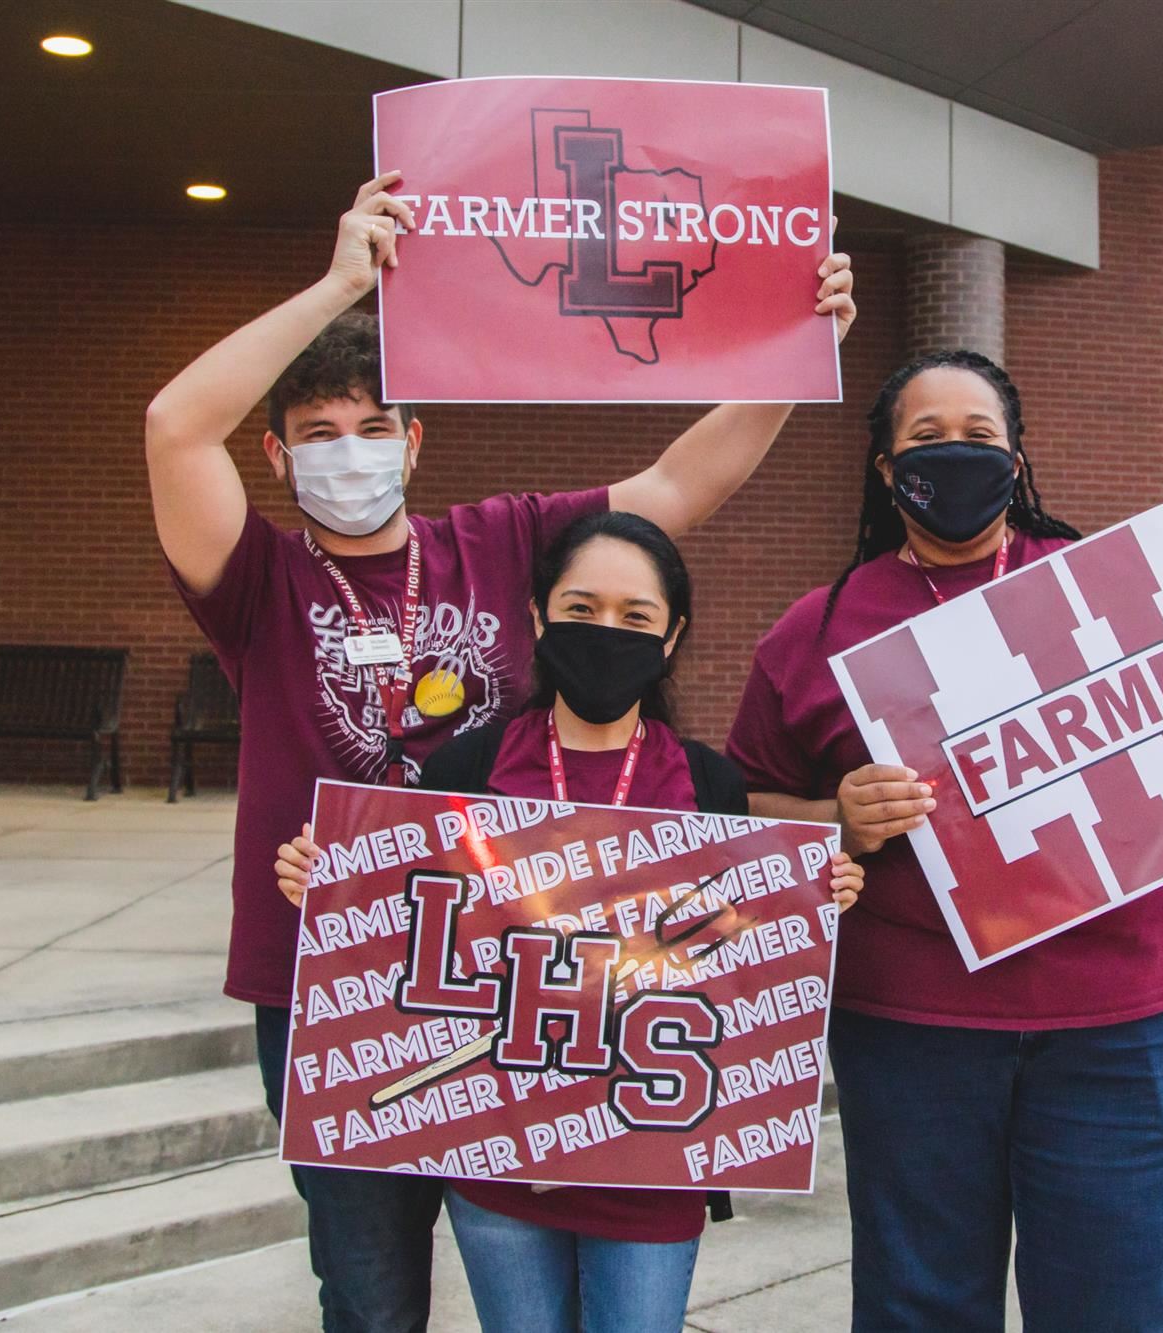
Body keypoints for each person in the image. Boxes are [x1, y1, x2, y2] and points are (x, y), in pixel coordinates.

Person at [145, 173, 854, 1333]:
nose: (347, 452)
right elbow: (174, 426)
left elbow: (679, 485)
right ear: (273, 457)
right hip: (332, 979)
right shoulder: (258, 581)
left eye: (372, 428)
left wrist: (793, 342)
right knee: (371, 1292)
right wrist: (337, 284)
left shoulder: (502, 539)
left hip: (522, 974)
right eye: (316, 435)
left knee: (528, 1262)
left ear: (414, 439)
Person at [726, 348, 1163, 1332]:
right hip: (914, 1035)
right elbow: (737, 806)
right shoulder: (813, 631)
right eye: (924, 439)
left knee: (1106, 1306)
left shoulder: (1120, 590)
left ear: (1016, 457)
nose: (953, 457)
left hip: (1114, 1027)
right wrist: (836, 818)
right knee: (917, 1309)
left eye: (978, 438)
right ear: (880, 468)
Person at [273, 511, 865, 1333]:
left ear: (672, 635)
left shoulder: (710, 784)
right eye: (581, 609)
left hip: (653, 1163)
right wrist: (330, 885)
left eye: (636, 617)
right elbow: (409, 932)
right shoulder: (466, 768)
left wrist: (809, 898)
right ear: (538, 615)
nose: (606, 632)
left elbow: (737, 966)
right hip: (500, 1161)